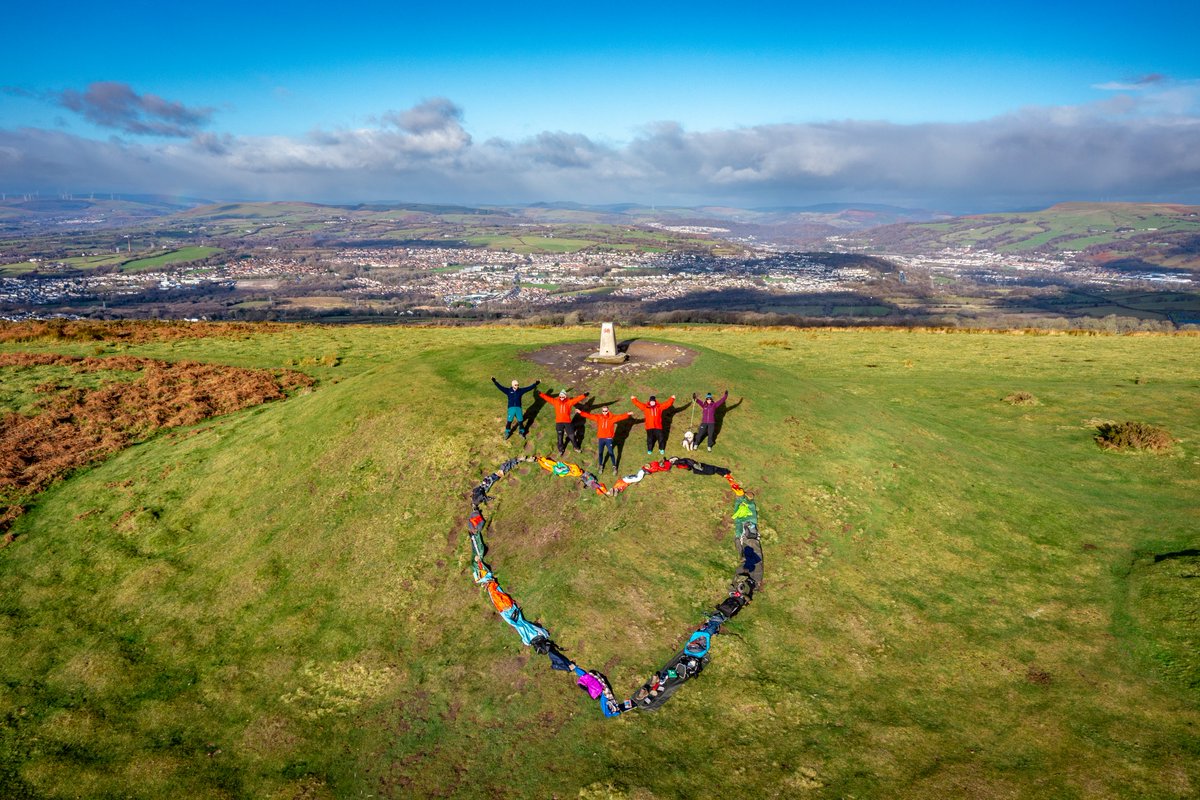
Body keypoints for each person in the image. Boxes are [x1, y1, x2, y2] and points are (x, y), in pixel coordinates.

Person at [578, 406, 631, 474]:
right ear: (602, 411)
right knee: (600, 453)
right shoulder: (599, 417)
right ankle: (601, 466)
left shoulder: (612, 418)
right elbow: (590, 416)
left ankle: (614, 467)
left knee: (611, 452)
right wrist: (581, 412)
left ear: (608, 411)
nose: (604, 412)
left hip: (608, 438)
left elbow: (620, 417)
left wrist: (627, 414)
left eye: (606, 411)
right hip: (601, 438)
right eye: (603, 411)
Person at [539, 388, 589, 456]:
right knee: (560, 437)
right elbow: (548, 398)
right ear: (559, 396)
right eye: (560, 396)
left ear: (565, 396)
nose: (561, 398)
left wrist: (584, 395)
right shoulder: (555, 401)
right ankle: (560, 449)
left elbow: (577, 399)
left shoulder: (569, 402)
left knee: (572, 436)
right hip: (559, 423)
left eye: (563, 396)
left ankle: (576, 447)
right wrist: (541, 394)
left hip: (568, 422)